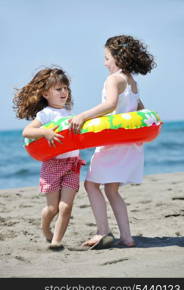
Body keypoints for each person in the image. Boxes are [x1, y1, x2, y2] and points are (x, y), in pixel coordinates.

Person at [69, 35, 156, 249]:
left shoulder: (114, 79)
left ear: (118, 58)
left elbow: (109, 105)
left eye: (107, 58)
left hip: (113, 143)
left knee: (90, 185)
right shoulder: (132, 81)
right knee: (111, 190)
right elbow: (140, 110)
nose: (104, 62)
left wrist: (83, 116)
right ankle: (126, 237)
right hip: (128, 144)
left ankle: (103, 231)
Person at [13, 67, 85, 250]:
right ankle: (45, 228)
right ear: (46, 93)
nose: (64, 92)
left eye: (66, 88)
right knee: (52, 209)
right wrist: (45, 132)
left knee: (65, 207)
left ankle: (56, 241)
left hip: (72, 164)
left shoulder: (70, 114)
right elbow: (27, 131)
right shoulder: (45, 114)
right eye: (58, 89)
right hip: (52, 164)